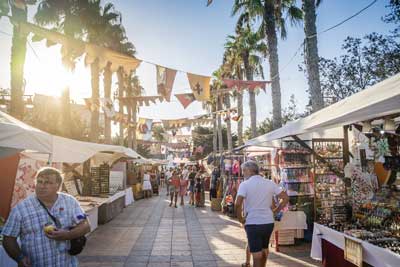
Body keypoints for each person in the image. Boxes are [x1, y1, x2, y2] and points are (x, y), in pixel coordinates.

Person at [2, 167, 91, 267]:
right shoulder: (21, 209)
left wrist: (67, 235)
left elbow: (85, 224)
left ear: (58, 186)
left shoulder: (69, 201)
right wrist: (19, 258)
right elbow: (8, 238)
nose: (42, 186)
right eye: (39, 182)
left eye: (48, 182)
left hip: (66, 263)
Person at [235, 161, 288, 267]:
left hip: (253, 222)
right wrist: (276, 210)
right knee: (264, 250)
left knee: (257, 255)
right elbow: (285, 198)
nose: (243, 173)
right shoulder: (269, 183)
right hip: (268, 222)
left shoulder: (245, 184)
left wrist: (240, 219)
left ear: (249, 171)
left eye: (244, 170)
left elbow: (237, 203)